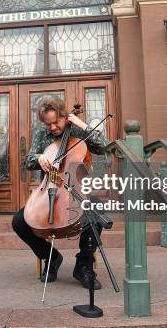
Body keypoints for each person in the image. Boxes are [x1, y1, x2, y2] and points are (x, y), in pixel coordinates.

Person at [11, 96, 107, 290]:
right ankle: (51, 257)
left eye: (56, 122)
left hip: (76, 189)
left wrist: (81, 123)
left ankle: (83, 266)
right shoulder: (41, 133)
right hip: (49, 190)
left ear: (65, 116)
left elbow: (103, 146)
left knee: (97, 215)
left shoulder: (77, 129)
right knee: (19, 222)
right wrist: (38, 158)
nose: (53, 127)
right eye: (49, 124)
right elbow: (28, 160)